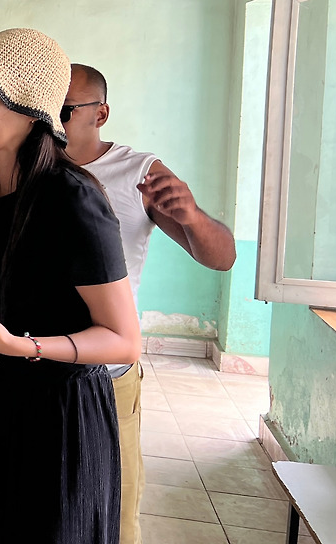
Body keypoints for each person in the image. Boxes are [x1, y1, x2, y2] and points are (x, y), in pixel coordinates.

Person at [0, 29, 142, 543]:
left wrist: (18, 345)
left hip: (65, 417)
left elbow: (123, 341)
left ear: (33, 108)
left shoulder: (72, 199)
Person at [63, 63, 236, 544]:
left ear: (100, 114)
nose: (53, 121)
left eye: (66, 109)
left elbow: (221, 257)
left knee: (112, 510)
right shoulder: (31, 166)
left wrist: (192, 216)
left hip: (106, 373)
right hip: (37, 364)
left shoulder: (137, 172)